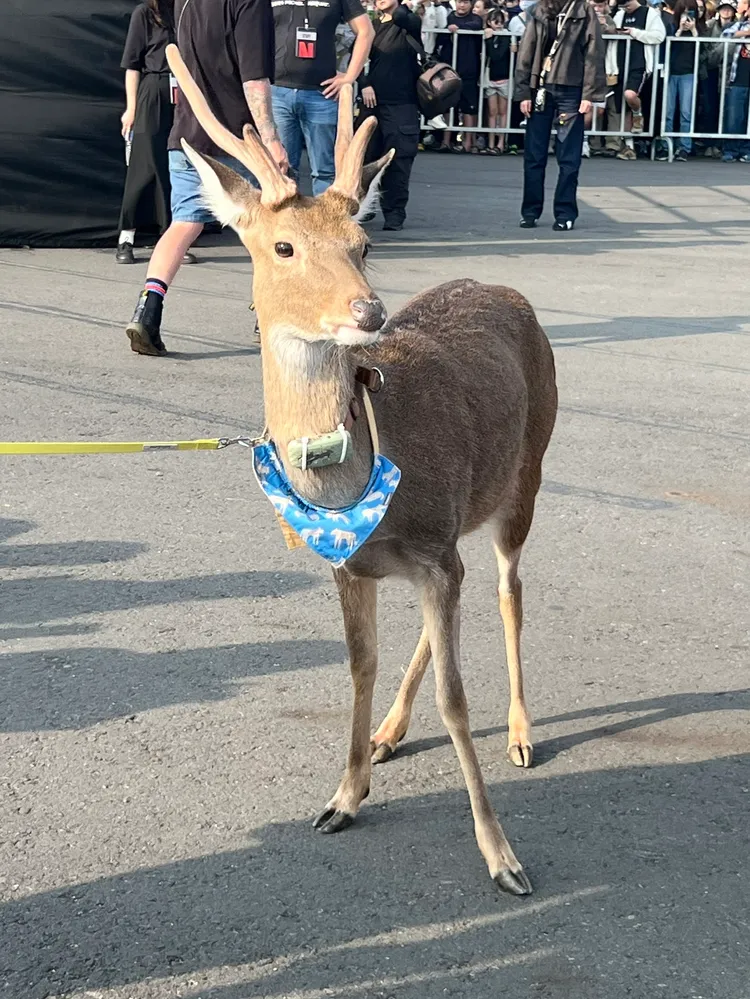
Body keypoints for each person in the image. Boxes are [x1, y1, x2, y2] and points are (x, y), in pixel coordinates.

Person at [124, 0, 285, 357]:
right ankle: (269, 315)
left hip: (188, 134)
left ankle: (148, 310)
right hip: (239, 140)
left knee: (183, 223)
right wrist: (271, 138)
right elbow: (253, 78)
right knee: (268, 228)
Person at [515, 0, 606, 230]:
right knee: (534, 155)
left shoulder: (584, 11)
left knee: (569, 157)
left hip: (572, 89)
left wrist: (588, 94)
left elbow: (594, 53)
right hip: (541, 87)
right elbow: (526, 50)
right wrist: (523, 91)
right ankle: (530, 211)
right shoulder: (536, 10)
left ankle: (565, 213)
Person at [271, 0, 374, 196]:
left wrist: (349, 77)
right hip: (278, 92)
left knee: (325, 170)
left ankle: (325, 223)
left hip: (322, 94)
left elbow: (366, 32)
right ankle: (288, 224)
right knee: (282, 169)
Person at [116, 0, 189, 265]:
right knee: (144, 166)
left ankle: (171, 240)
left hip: (184, 93)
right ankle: (126, 237)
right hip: (154, 89)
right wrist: (132, 108)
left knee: (178, 166)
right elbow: (132, 66)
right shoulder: (145, 13)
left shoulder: (185, 11)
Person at [359, 0, 422, 229]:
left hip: (402, 104)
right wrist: (364, 83)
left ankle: (395, 213)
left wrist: (401, 6)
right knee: (366, 159)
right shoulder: (371, 26)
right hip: (372, 104)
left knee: (399, 161)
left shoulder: (408, 21)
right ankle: (365, 207)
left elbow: (404, 17)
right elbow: (354, 59)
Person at [605, 0, 666, 160]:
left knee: (630, 95)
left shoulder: (650, 14)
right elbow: (610, 34)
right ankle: (628, 146)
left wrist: (634, 32)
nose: (626, 7)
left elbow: (659, 36)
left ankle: (638, 114)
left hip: (639, 64)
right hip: (617, 65)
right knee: (622, 108)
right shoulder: (619, 14)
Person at [438, 0, 484, 151]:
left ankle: (469, 142)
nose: (462, 5)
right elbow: (441, 36)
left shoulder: (474, 18)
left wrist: (459, 28)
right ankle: (446, 141)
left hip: (469, 69)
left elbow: (477, 25)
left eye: (465, 2)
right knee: (448, 107)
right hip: (449, 69)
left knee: (469, 108)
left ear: (470, 5)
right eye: (459, 2)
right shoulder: (449, 17)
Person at [665, 0, 707, 159]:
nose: (687, 17)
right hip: (671, 72)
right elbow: (668, 48)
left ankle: (684, 147)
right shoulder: (671, 26)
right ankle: (665, 143)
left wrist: (695, 30)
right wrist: (679, 31)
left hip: (689, 74)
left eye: (690, 12)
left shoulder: (701, 29)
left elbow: (703, 50)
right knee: (668, 112)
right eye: (684, 12)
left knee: (686, 112)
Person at [721, 2, 750, 159]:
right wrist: (746, 32)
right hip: (738, 78)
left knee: (748, 119)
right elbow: (725, 35)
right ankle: (730, 150)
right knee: (734, 117)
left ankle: (747, 151)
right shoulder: (740, 25)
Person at [482, 7, 513, 152]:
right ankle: (491, 143)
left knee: (503, 112)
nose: (499, 24)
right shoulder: (486, 34)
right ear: (489, 22)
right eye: (495, 22)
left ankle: (501, 143)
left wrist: (489, 40)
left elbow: (496, 55)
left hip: (504, 78)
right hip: (490, 78)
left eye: (501, 22)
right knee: (492, 112)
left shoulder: (507, 36)